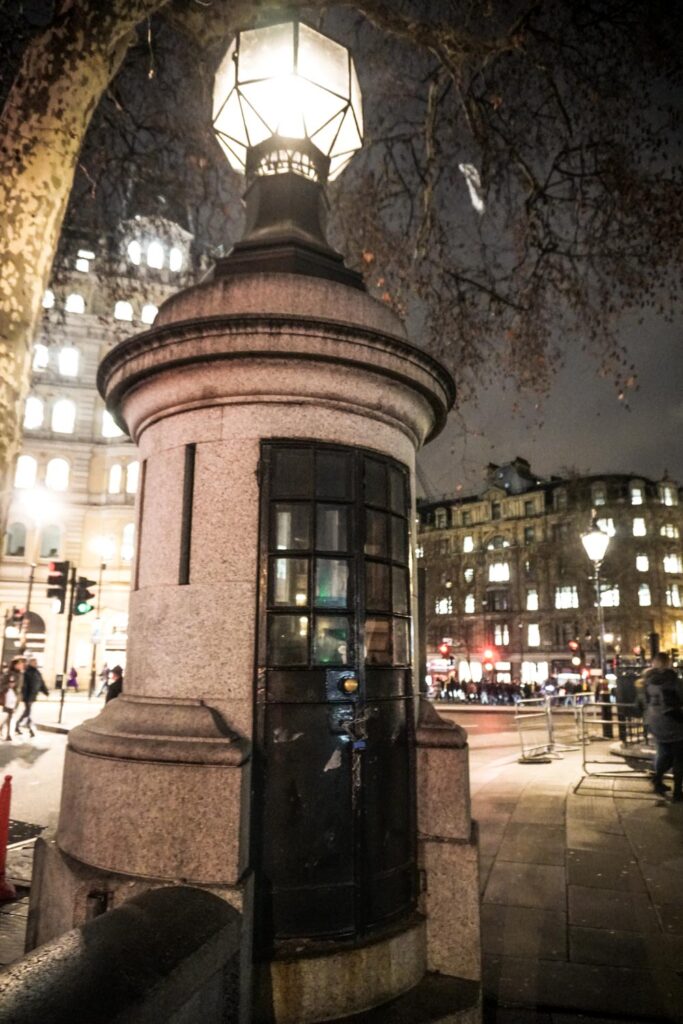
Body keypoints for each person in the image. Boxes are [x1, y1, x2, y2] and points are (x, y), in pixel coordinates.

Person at [643, 652, 683, 802]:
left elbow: (641, 701)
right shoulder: (673, 680)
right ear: (667, 662)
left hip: (654, 720)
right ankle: (678, 792)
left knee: (664, 753)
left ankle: (658, 781)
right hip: (672, 722)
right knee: (679, 757)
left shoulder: (646, 681)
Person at [15, 656, 46, 738]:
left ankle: (17, 725)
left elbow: (41, 683)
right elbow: (24, 686)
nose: (36, 663)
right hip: (28, 696)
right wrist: (24, 696)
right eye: (34, 662)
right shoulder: (26, 672)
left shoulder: (37, 672)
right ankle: (30, 729)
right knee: (28, 712)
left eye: (36, 662)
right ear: (30, 663)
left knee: (27, 712)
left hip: (33, 696)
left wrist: (45, 691)